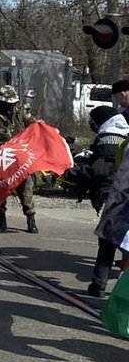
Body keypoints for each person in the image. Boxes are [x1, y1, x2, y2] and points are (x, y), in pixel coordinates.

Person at [68, 105, 129, 295]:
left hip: (119, 196)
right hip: (120, 194)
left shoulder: (111, 137)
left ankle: (99, 285)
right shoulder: (121, 135)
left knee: (109, 241)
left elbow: (101, 168)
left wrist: (73, 172)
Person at [0, 84, 38, 233]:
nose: (10, 106)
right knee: (0, 187)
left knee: (26, 186)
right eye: (7, 104)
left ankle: (31, 219)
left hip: (19, 154)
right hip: (0, 155)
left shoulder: (20, 111)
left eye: (12, 103)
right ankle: (1, 219)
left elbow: (33, 124)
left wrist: (40, 128)